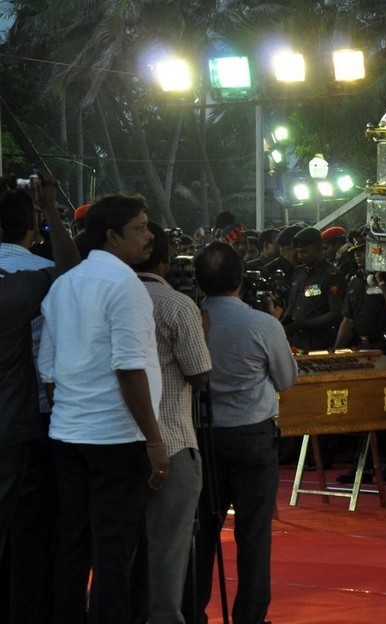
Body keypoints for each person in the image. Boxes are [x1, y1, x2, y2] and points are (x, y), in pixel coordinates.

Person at [39, 194, 168, 623]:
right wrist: (154, 440)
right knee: (114, 550)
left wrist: (73, 416)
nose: (149, 236)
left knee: (73, 542)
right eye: (139, 228)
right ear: (113, 236)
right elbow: (129, 368)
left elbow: (49, 372)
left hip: (68, 434)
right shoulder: (124, 286)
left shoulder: (64, 284)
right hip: (115, 437)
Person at [184, 241, 298, 623]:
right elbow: (286, 379)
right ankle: (250, 616)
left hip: (202, 435)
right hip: (252, 436)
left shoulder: (189, 320)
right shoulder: (263, 324)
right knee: (253, 534)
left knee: (201, 532)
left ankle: (191, 612)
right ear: (241, 280)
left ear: (199, 281)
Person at [0, 178, 79, 623]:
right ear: (30, 227)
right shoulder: (27, 282)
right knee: (32, 530)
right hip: (23, 423)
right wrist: (51, 209)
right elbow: (71, 270)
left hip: (18, 424)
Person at [131, 223, 212, 624]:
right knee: (168, 547)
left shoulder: (109, 297)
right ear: (164, 259)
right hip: (173, 439)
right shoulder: (178, 305)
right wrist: (203, 335)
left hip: (116, 440)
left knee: (120, 546)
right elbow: (199, 375)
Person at [333, 230, 386, 358]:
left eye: (362, 251)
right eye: (355, 252)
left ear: (376, 252)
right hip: (362, 346)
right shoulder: (355, 281)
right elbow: (348, 320)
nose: (357, 255)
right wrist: (336, 351)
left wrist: (381, 282)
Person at [272, 226, 345, 351]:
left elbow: (336, 313)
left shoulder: (332, 276)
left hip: (319, 341)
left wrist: (306, 324)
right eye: (298, 252)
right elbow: (292, 304)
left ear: (318, 249)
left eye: (304, 252)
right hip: (295, 339)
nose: (300, 256)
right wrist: (282, 323)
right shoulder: (299, 273)